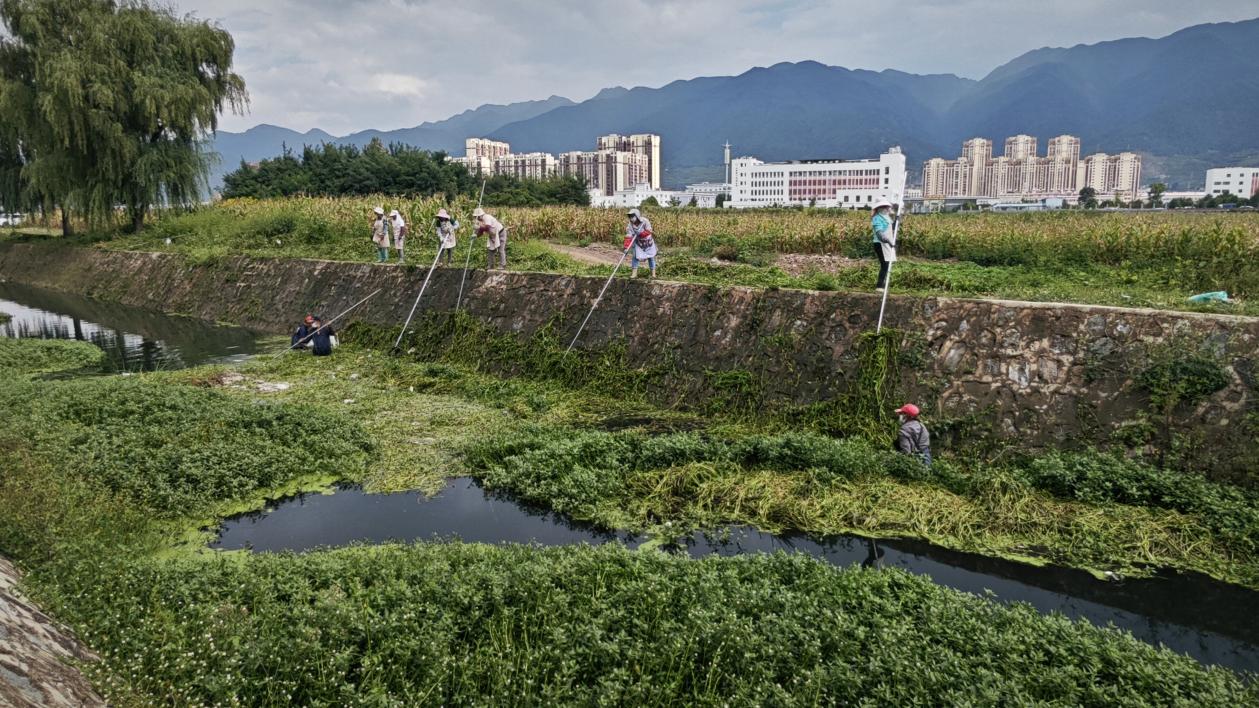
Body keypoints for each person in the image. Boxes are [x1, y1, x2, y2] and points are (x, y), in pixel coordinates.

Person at [871, 199, 896, 291]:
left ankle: (883, 284)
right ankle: (879, 286)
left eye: (887, 207)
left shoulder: (887, 217)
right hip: (880, 244)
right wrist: (887, 240)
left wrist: (897, 219)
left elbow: (892, 227)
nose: (887, 208)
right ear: (879, 208)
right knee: (885, 264)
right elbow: (879, 233)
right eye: (885, 207)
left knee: (888, 263)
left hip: (887, 243)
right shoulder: (877, 218)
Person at [625, 208, 657, 278]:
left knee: (651, 257)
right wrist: (626, 247)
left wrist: (641, 233)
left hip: (647, 242)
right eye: (630, 217)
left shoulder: (645, 221)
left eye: (633, 216)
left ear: (637, 216)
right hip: (638, 243)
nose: (631, 218)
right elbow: (629, 236)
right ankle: (634, 274)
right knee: (635, 257)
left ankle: (653, 274)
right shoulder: (630, 225)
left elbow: (649, 231)